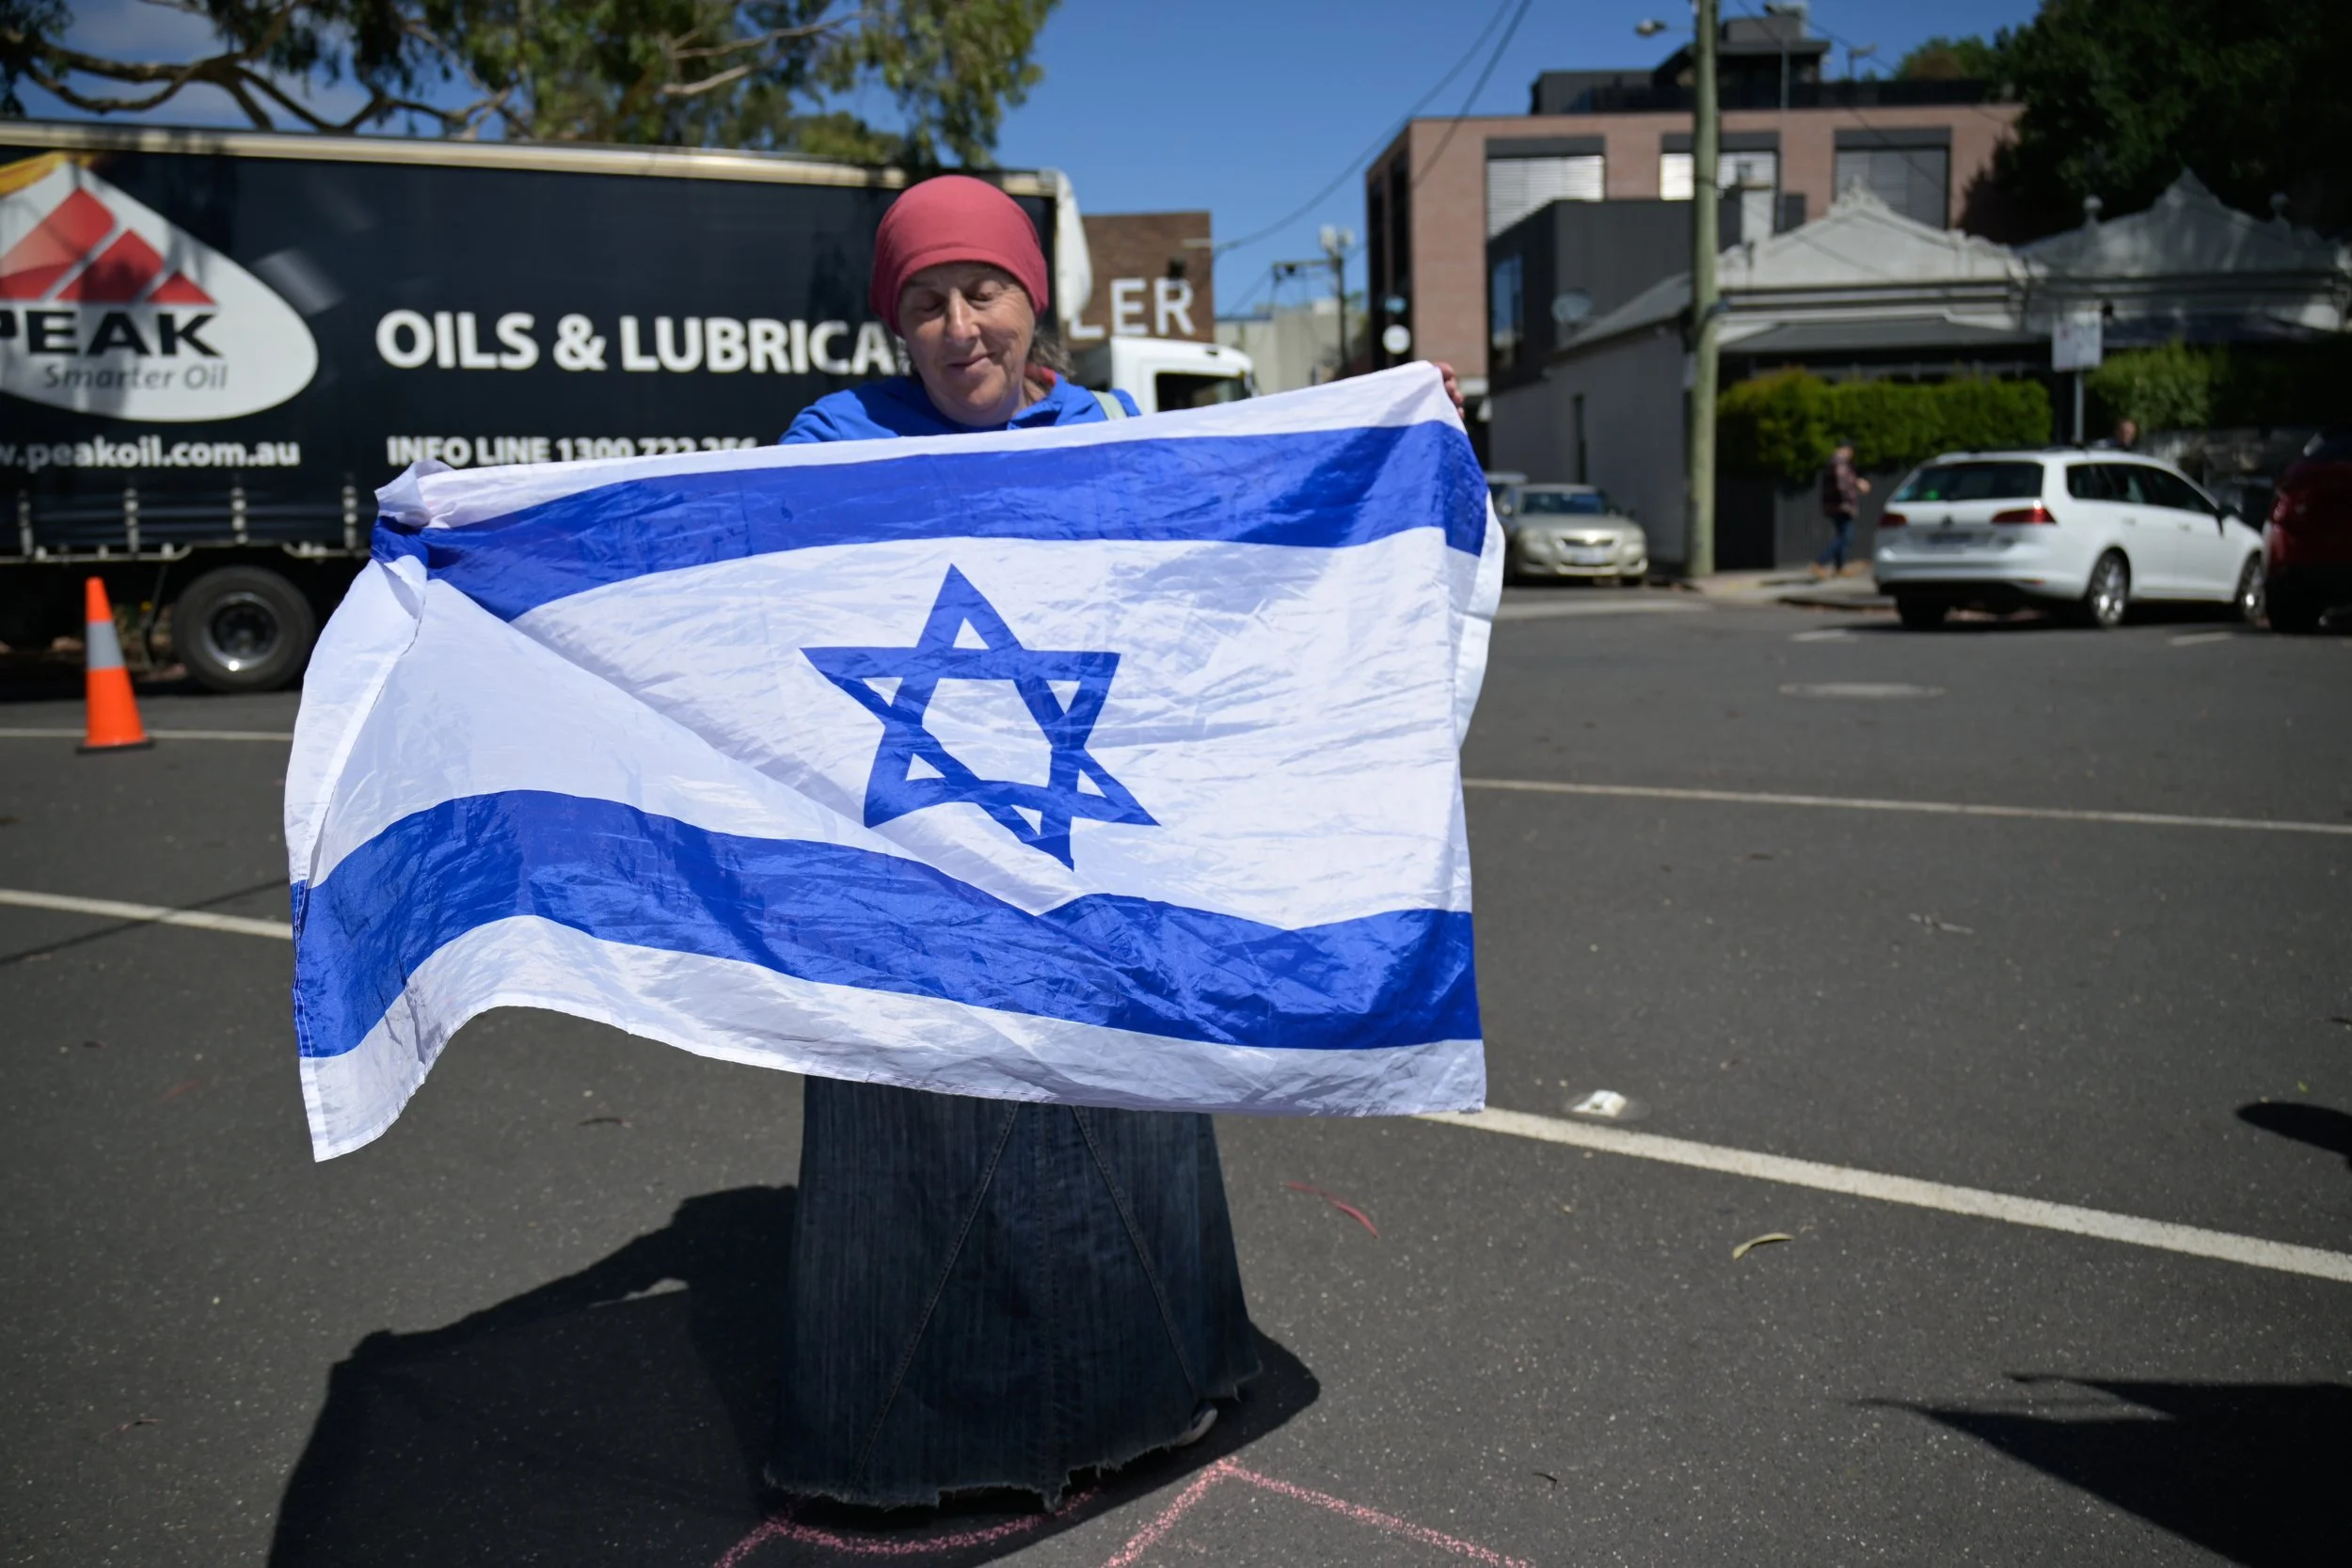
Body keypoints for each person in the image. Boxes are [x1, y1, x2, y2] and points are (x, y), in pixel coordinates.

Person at [1813, 440, 1871, 579]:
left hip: (1834, 505)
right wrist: (1857, 485)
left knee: (1842, 533)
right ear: (1846, 449)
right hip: (1841, 505)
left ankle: (1839, 567)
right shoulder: (1839, 462)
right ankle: (1820, 562)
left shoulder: (1834, 462)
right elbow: (1842, 484)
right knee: (1846, 536)